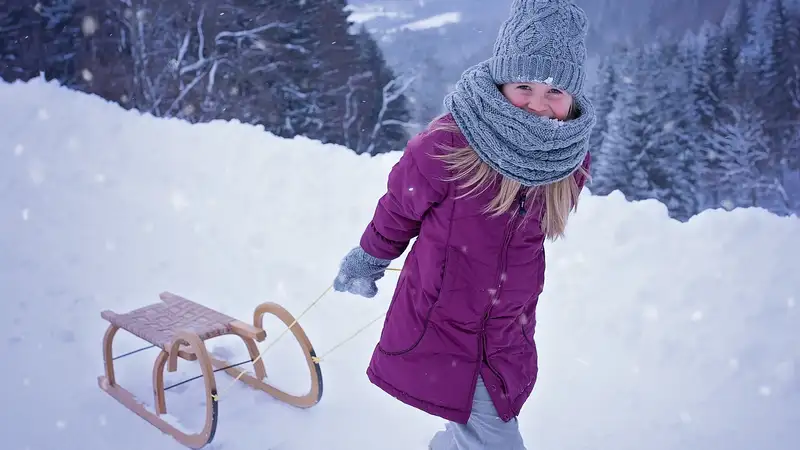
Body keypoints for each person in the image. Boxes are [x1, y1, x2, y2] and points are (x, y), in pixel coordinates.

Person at [333, 0, 596, 448]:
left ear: (571, 99)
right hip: (446, 319)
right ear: (500, 81)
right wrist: (368, 259)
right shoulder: (447, 145)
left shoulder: (567, 160)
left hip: (507, 324)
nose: (537, 105)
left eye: (553, 92)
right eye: (524, 87)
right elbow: (398, 212)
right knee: (493, 432)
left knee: (484, 420)